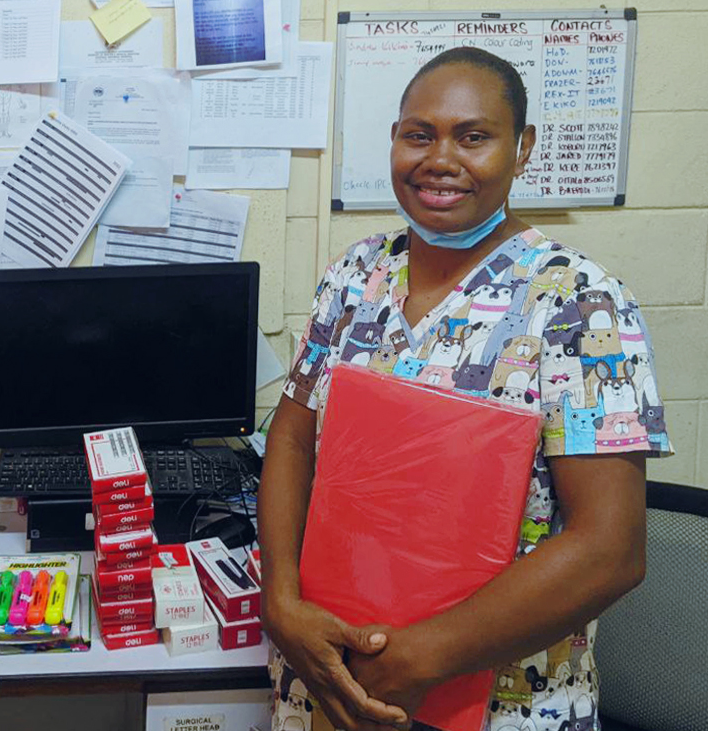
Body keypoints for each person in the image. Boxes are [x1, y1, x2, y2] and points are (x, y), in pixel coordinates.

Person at [259, 47, 672, 731]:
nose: (439, 159)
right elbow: (293, 436)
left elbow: (610, 548)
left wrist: (418, 658)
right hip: (327, 673)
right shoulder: (355, 276)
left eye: (472, 136)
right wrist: (280, 601)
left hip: (500, 698)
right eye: (417, 134)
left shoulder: (578, 302)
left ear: (521, 148)